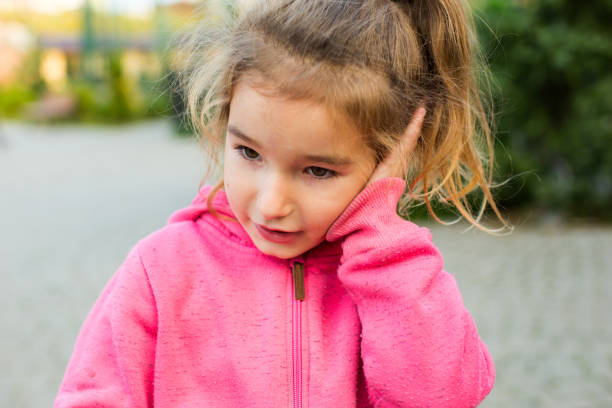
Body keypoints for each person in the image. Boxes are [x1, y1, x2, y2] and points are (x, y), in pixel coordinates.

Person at [55, 0, 511, 406]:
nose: (271, 204)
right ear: (223, 120)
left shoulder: (399, 283)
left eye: (318, 171)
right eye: (249, 153)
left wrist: (381, 241)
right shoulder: (162, 270)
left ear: (391, 161)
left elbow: (443, 397)